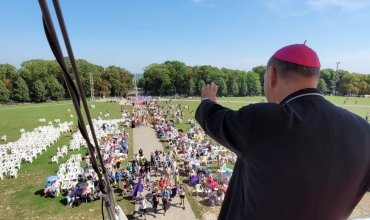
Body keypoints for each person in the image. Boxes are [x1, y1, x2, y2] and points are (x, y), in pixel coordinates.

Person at [195, 43, 370, 220]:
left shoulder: (261, 119)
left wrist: (207, 102)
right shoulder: (364, 131)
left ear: (272, 75)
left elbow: (215, 120)